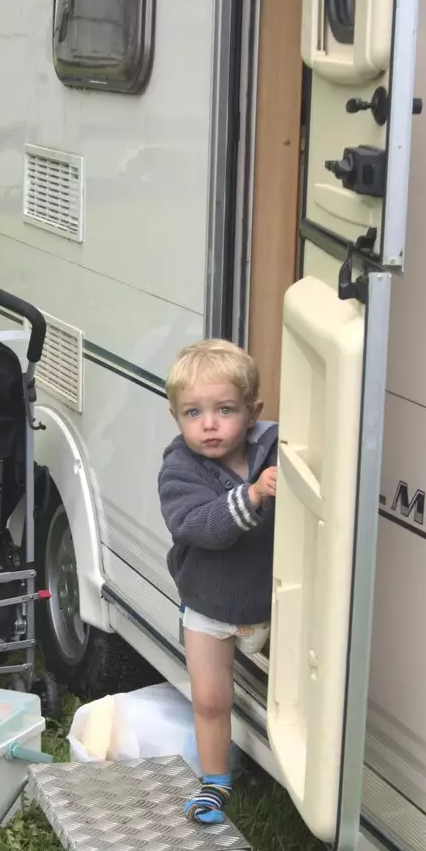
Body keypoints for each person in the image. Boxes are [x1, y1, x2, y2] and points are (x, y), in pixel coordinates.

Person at [157, 339, 278, 824]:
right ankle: (215, 783)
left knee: (297, 696)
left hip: (271, 602)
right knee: (210, 699)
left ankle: (294, 770)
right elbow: (198, 525)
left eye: (224, 409)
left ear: (253, 413)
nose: (208, 424)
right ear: (176, 417)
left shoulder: (277, 451)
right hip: (207, 604)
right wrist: (251, 496)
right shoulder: (180, 469)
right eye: (193, 412)